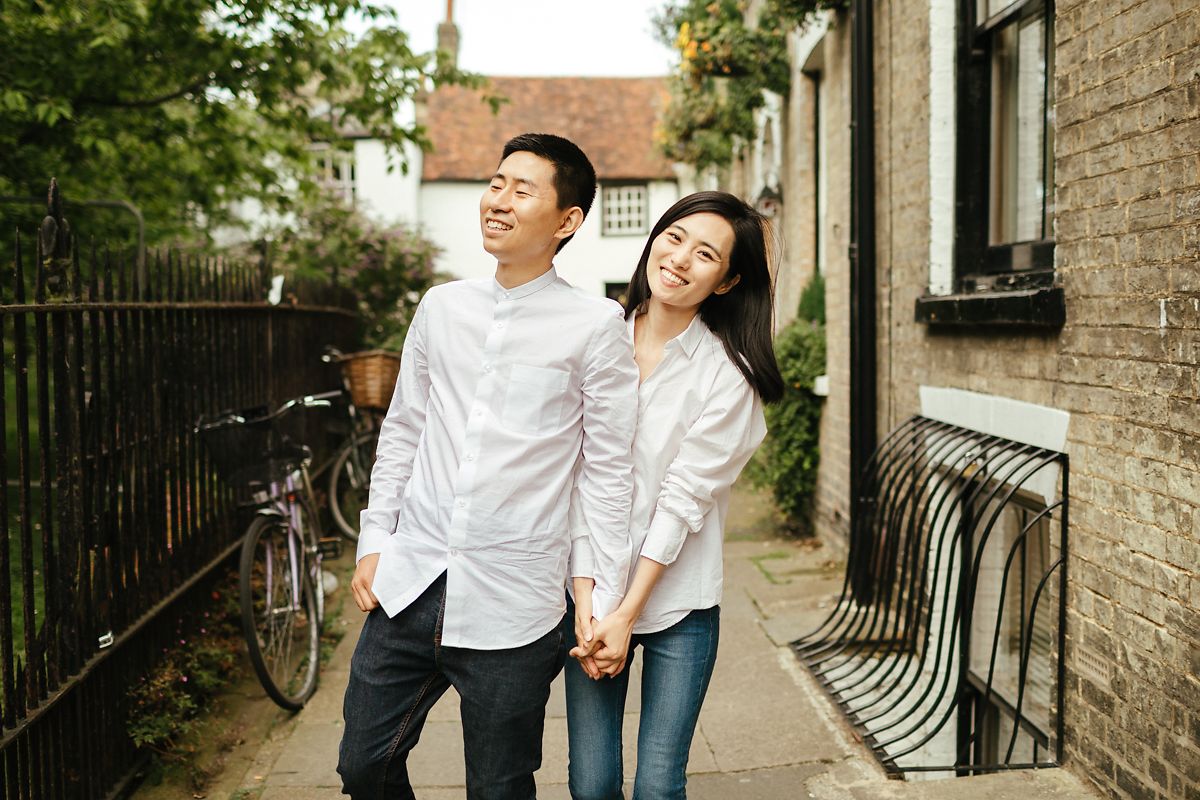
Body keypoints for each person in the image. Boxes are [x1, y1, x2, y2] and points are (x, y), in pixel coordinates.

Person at [337, 132, 640, 800]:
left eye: (522, 189)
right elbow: (404, 430)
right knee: (363, 765)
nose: (498, 200)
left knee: (499, 787)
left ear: (568, 221)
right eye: (497, 183)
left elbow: (606, 473)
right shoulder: (440, 307)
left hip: (516, 604)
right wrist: (374, 540)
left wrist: (597, 593)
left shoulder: (595, 327)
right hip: (411, 585)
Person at [565, 191, 784, 800]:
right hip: (590, 595)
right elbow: (577, 478)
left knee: (658, 787)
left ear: (726, 281)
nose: (682, 258)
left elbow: (683, 500)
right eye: (676, 236)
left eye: (706, 254)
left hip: (678, 606)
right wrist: (587, 604)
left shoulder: (727, 374)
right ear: (654, 238)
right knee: (591, 786)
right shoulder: (596, 338)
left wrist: (626, 614)